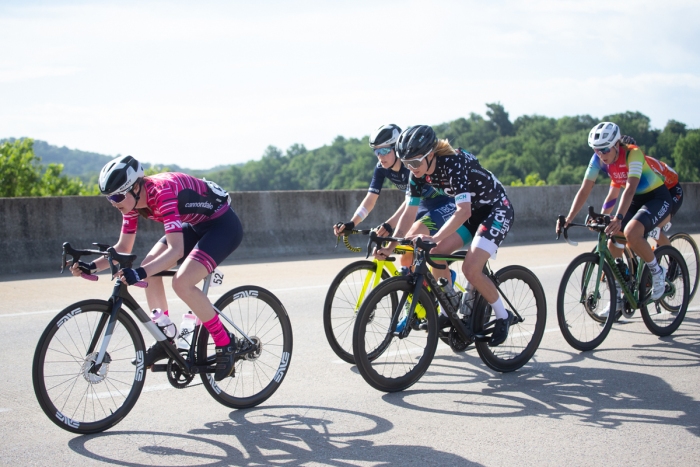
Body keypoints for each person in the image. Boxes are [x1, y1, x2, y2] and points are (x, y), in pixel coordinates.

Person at [70, 155, 243, 381]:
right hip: (196, 224)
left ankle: (225, 342)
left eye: (116, 196)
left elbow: (176, 250)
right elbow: (123, 247)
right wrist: (91, 267)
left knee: (181, 282)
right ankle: (165, 336)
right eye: (109, 198)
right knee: (148, 269)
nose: (113, 202)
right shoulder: (131, 204)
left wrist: (139, 274)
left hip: (223, 226)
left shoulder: (163, 193)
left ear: (134, 187)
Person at [375, 125, 515, 347]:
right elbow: (409, 213)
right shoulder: (417, 174)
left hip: (495, 210)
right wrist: (391, 247)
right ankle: (451, 305)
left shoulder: (453, 163)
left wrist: (436, 237)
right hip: (472, 212)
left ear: (430, 155)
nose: (412, 168)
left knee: (470, 267)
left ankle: (503, 316)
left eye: (416, 162)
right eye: (407, 163)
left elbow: (463, 211)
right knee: (436, 254)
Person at [558, 122, 673, 313]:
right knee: (613, 240)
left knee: (631, 232)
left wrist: (618, 217)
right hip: (636, 200)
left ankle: (657, 271)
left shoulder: (632, 153)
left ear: (616, 144)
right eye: (596, 150)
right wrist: (569, 218)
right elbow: (585, 189)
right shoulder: (598, 159)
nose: (601, 154)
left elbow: (629, 189)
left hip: (656, 197)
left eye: (604, 149)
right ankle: (618, 299)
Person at [333, 124, 471, 271]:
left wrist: (389, 224)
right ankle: (416, 287)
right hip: (423, 204)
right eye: (376, 151)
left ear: (397, 149)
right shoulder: (381, 168)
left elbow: (408, 205)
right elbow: (370, 199)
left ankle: (440, 284)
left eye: (385, 150)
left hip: (444, 203)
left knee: (413, 234)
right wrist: (352, 223)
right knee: (406, 253)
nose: (380, 156)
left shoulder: (413, 166)